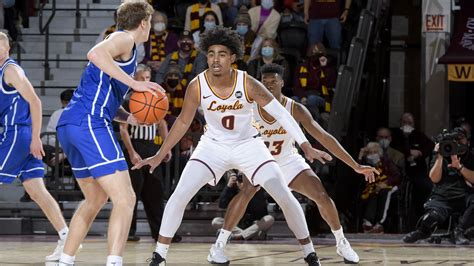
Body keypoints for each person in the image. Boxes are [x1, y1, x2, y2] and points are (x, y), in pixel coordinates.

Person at [134, 26, 340, 266]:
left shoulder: (249, 83)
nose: (215, 59)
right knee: (179, 195)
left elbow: (283, 116)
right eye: (211, 53)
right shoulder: (197, 85)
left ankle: (309, 253)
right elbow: (181, 122)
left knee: (282, 193)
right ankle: (159, 256)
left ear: (233, 58)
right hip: (213, 146)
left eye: (222, 54)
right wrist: (160, 154)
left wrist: (305, 145)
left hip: (247, 145)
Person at [210, 63, 377, 264]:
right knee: (245, 192)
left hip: (288, 160)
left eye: (273, 82)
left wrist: (355, 165)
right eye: (265, 82)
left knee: (321, 195)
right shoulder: (249, 108)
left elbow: (323, 137)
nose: (269, 85)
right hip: (259, 161)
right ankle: (219, 246)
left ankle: (341, 242)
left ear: (282, 82)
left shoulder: (294, 108)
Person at [56, 2, 161, 266]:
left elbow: (103, 97)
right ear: (145, 22)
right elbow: (95, 53)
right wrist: (135, 83)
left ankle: (64, 260)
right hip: (89, 122)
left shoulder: (126, 48)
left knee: (95, 199)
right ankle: (114, 263)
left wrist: (128, 116)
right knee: (125, 198)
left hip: (73, 123)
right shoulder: (123, 38)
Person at [0, 31, 69, 262]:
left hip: (18, 134)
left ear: (8, 48)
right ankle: (66, 238)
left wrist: (35, 138)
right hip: (19, 134)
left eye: (1, 44)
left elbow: (35, 101)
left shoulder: (11, 70)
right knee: (37, 191)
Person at [119, 64, 174, 242]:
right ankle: (128, 232)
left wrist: (166, 147)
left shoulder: (157, 97)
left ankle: (159, 233)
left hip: (151, 148)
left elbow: (162, 124)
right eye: (141, 78)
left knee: (155, 192)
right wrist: (132, 152)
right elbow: (123, 129)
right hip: (134, 147)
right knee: (132, 192)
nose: (145, 81)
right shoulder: (128, 99)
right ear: (134, 79)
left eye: (147, 78)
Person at [403, 127, 473, 245]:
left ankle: (459, 231)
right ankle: (423, 232)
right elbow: (434, 178)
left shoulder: (471, 156)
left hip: (464, 196)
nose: (459, 142)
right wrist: (439, 157)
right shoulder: (443, 152)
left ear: (468, 142)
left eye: (461, 139)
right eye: (455, 140)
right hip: (442, 196)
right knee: (430, 218)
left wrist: (459, 167)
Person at [211, 170, 274, 240]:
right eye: (240, 179)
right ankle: (246, 235)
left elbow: (261, 210)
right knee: (216, 221)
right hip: (237, 225)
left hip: (253, 224)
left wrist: (249, 191)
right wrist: (229, 186)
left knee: (269, 219)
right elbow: (222, 205)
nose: (242, 182)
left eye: (245, 179)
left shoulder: (256, 190)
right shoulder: (232, 190)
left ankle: (238, 236)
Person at [359, 142, 401, 233]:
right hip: (373, 186)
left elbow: (396, 176)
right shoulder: (365, 163)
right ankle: (368, 222)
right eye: (370, 152)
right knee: (373, 193)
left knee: (385, 192)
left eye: (375, 152)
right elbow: (357, 174)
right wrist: (360, 156)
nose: (373, 155)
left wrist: (385, 183)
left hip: (389, 185)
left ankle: (380, 223)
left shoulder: (386, 161)